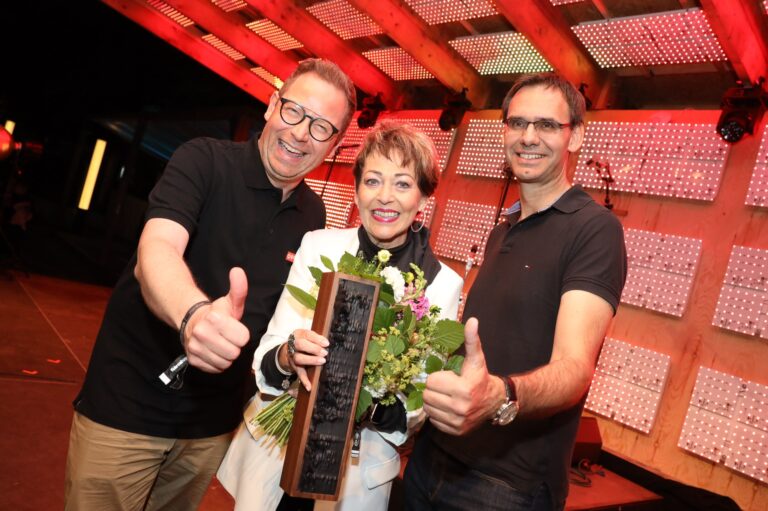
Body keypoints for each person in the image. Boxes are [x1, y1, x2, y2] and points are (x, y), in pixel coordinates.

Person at [65, 58, 357, 511]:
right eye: (295, 111)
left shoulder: (313, 217)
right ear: (271, 106)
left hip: (211, 427)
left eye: (322, 127)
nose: (301, 133)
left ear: (336, 142)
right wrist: (193, 316)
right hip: (127, 409)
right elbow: (157, 250)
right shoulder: (203, 160)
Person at [404, 73, 627, 511]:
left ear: (575, 136)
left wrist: (500, 395)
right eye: (517, 123)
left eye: (546, 125)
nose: (529, 137)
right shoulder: (504, 226)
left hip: (507, 484)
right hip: (432, 458)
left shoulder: (595, 230)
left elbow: (576, 368)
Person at [217, 121, 464, 511]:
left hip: (357, 475)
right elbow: (267, 358)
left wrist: (365, 396)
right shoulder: (318, 249)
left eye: (402, 183)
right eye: (372, 181)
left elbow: (415, 406)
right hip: (275, 458)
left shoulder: (440, 284)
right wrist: (289, 355)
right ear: (357, 189)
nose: (385, 197)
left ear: (423, 196)